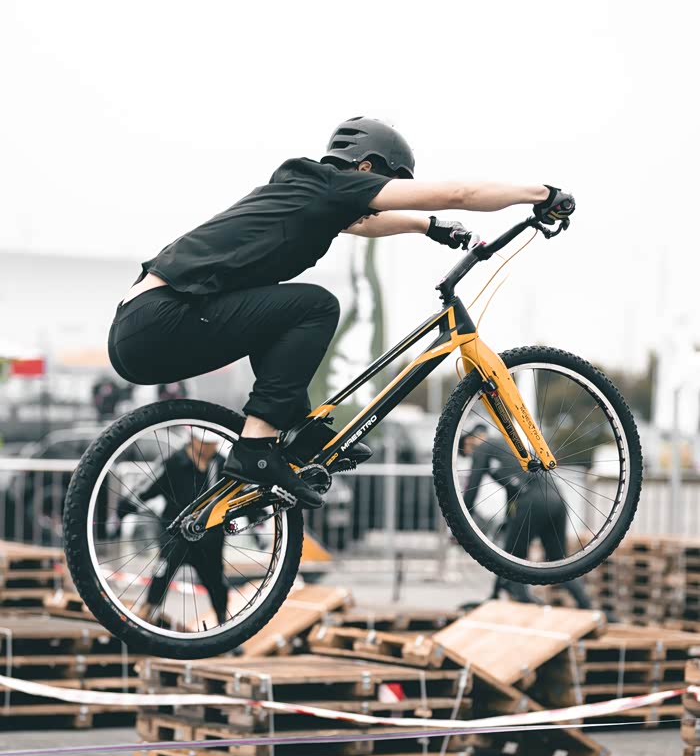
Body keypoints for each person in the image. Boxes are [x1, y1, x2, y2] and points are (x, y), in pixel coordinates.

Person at [108, 116, 574, 509]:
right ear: (365, 169)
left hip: (145, 326)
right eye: (387, 185)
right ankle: (255, 448)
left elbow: (364, 223)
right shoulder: (328, 185)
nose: (384, 194)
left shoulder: (309, 192)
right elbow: (461, 192)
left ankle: (296, 435)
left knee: (278, 318)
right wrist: (541, 193)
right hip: (161, 319)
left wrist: (428, 226)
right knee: (315, 306)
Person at [459, 425, 592, 608]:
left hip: (532, 500)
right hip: (556, 498)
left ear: (468, 441)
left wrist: (460, 519)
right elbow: (513, 488)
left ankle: (522, 603)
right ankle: (587, 606)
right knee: (558, 562)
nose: (470, 456)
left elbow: (472, 489)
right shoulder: (504, 443)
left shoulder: (482, 447)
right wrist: (509, 518)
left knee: (513, 560)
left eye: (465, 453)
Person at [114, 429, 230, 625]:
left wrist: (257, 521)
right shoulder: (173, 463)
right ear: (192, 439)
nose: (210, 448)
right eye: (206, 443)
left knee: (217, 583)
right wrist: (123, 510)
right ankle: (147, 619)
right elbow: (145, 488)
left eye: (213, 444)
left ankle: (224, 625)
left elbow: (239, 494)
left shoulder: (221, 464)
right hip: (175, 534)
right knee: (161, 575)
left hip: (210, 537)